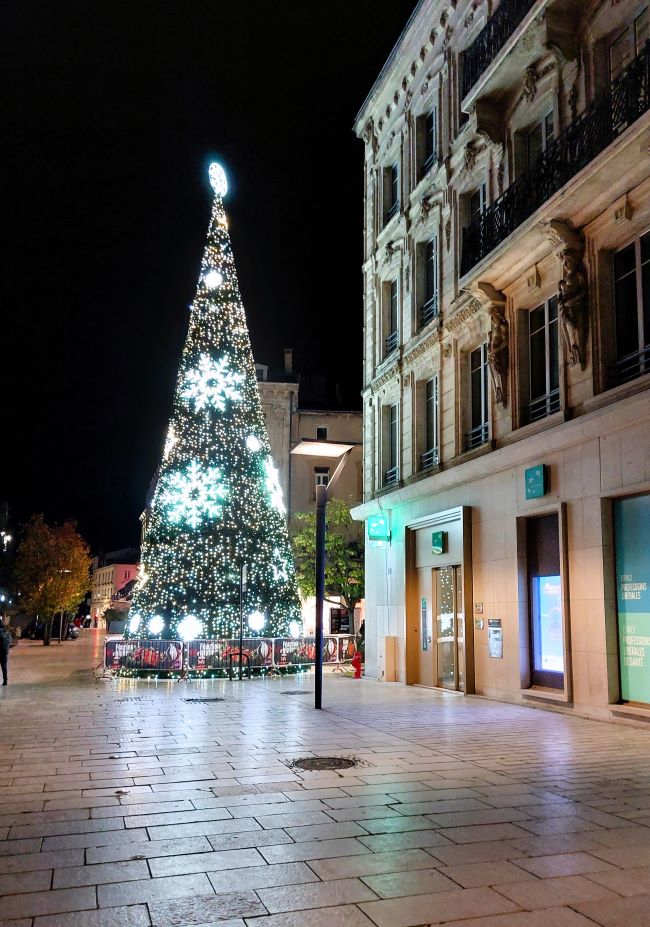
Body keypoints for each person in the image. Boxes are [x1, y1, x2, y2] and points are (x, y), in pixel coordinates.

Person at [0, 619, 10, 686]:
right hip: (4, 651)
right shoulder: (7, 632)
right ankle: (5, 681)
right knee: (4, 666)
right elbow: (9, 641)